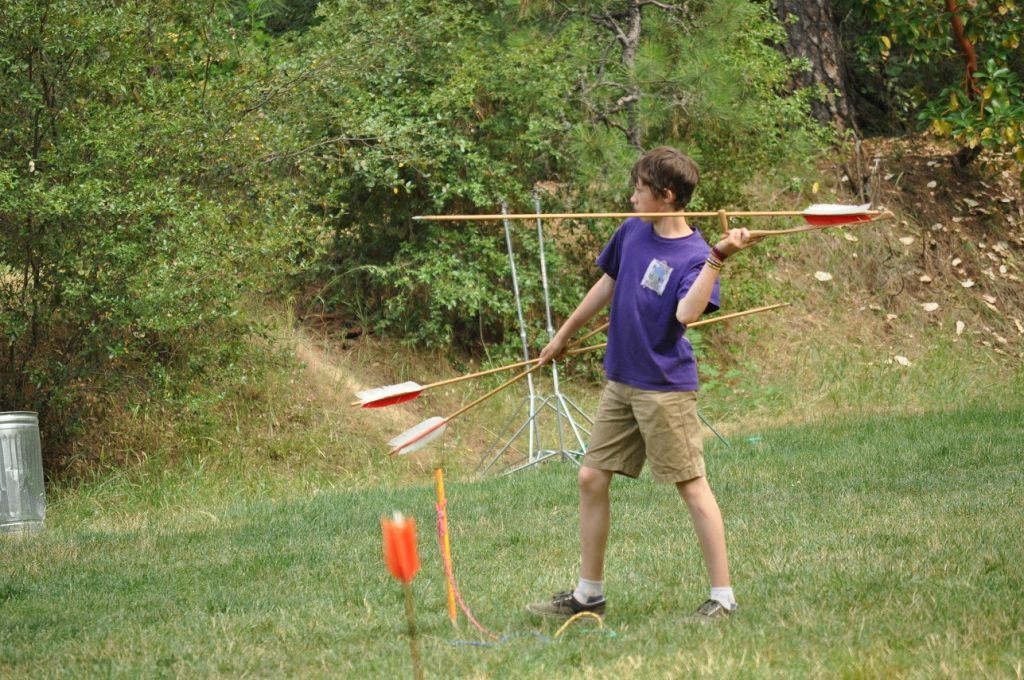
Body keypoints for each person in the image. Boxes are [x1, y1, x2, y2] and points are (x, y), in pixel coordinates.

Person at [526, 146, 755, 622]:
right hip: (621, 380)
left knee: (691, 487)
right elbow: (606, 285)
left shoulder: (695, 255)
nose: (631, 197)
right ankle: (590, 594)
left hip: (664, 388)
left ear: (666, 196)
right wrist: (562, 336)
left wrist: (718, 258)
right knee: (591, 477)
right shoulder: (632, 231)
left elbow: (687, 314)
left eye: (639, 189)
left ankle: (723, 597)